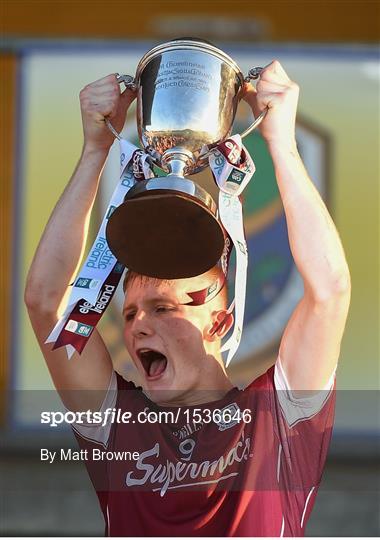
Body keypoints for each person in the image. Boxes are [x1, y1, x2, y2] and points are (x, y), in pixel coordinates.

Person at [25, 56, 351, 536]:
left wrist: (281, 142)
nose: (137, 326)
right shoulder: (118, 424)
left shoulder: (277, 416)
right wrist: (96, 149)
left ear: (218, 324)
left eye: (163, 308)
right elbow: (46, 302)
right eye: (131, 311)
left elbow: (329, 292)